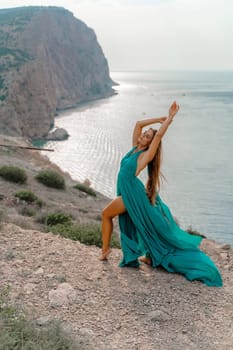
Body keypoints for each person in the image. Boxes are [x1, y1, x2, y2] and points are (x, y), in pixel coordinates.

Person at [99, 102, 222, 287]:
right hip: (128, 191)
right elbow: (138, 123)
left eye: (147, 136)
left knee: (106, 214)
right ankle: (146, 255)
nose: (143, 136)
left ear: (149, 143)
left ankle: (105, 251)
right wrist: (157, 119)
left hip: (133, 196)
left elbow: (160, 136)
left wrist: (169, 118)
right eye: (145, 134)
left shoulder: (145, 156)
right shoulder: (134, 148)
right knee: (140, 225)